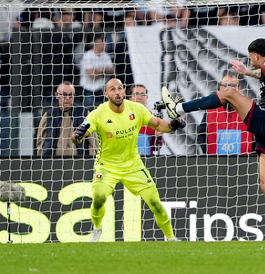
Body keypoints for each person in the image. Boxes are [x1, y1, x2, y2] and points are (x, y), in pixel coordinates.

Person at [161, 38, 265, 240]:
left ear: (256, 55)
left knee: (229, 92)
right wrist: (246, 72)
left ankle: (178, 108)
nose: (250, 60)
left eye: (250, 58)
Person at [72, 78, 187, 242]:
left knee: (155, 203)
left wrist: (173, 125)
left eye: (120, 88)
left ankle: (171, 238)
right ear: (106, 94)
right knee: (98, 199)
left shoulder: (137, 109)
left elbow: (158, 124)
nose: (117, 92)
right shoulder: (97, 114)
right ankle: (97, 229)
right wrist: (77, 136)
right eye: (112, 89)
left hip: (133, 165)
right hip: (107, 166)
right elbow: (76, 138)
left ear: (124, 92)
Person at [197, 72, 254, 155]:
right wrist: (207, 152)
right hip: (215, 162)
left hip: (243, 161)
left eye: (232, 86)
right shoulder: (211, 111)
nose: (228, 89)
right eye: (225, 85)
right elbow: (201, 134)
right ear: (220, 88)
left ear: (239, 88)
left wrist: (253, 153)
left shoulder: (248, 110)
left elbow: (258, 135)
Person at [36, 81, 97, 157]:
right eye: (64, 95)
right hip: (53, 164)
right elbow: (40, 143)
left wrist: (90, 162)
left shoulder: (84, 114)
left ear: (74, 96)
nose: (67, 98)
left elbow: (93, 143)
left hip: (79, 163)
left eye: (70, 95)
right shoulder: (49, 116)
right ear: (56, 95)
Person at [127, 83, 163, 156]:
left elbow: (156, 147)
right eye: (136, 94)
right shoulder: (121, 116)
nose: (140, 97)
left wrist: (158, 136)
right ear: (130, 98)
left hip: (147, 160)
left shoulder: (153, 119)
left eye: (143, 94)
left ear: (147, 97)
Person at [80, 35, 114, 109]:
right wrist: (105, 72)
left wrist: (100, 70)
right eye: (102, 40)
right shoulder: (87, 56)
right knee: (89, 113)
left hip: (103, 90)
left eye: (105, 40)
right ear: (95, 42)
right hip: (89, 90)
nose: (105, 43)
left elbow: (113, 71)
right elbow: (92, 76)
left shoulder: (106, 56)